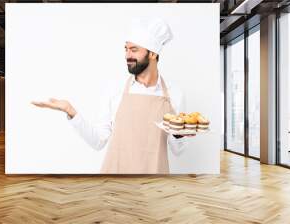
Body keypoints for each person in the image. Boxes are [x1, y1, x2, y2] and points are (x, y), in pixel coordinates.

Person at [32, 18, 193, 174]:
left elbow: (178, 151)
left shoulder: (174, 94)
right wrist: (71, 111)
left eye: (134, 49)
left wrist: (178, 134)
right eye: (126, 48)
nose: (127, 55)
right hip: (115, 182)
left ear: (152, 54)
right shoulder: (114, 89)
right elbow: (98, 141)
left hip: (154, 184)